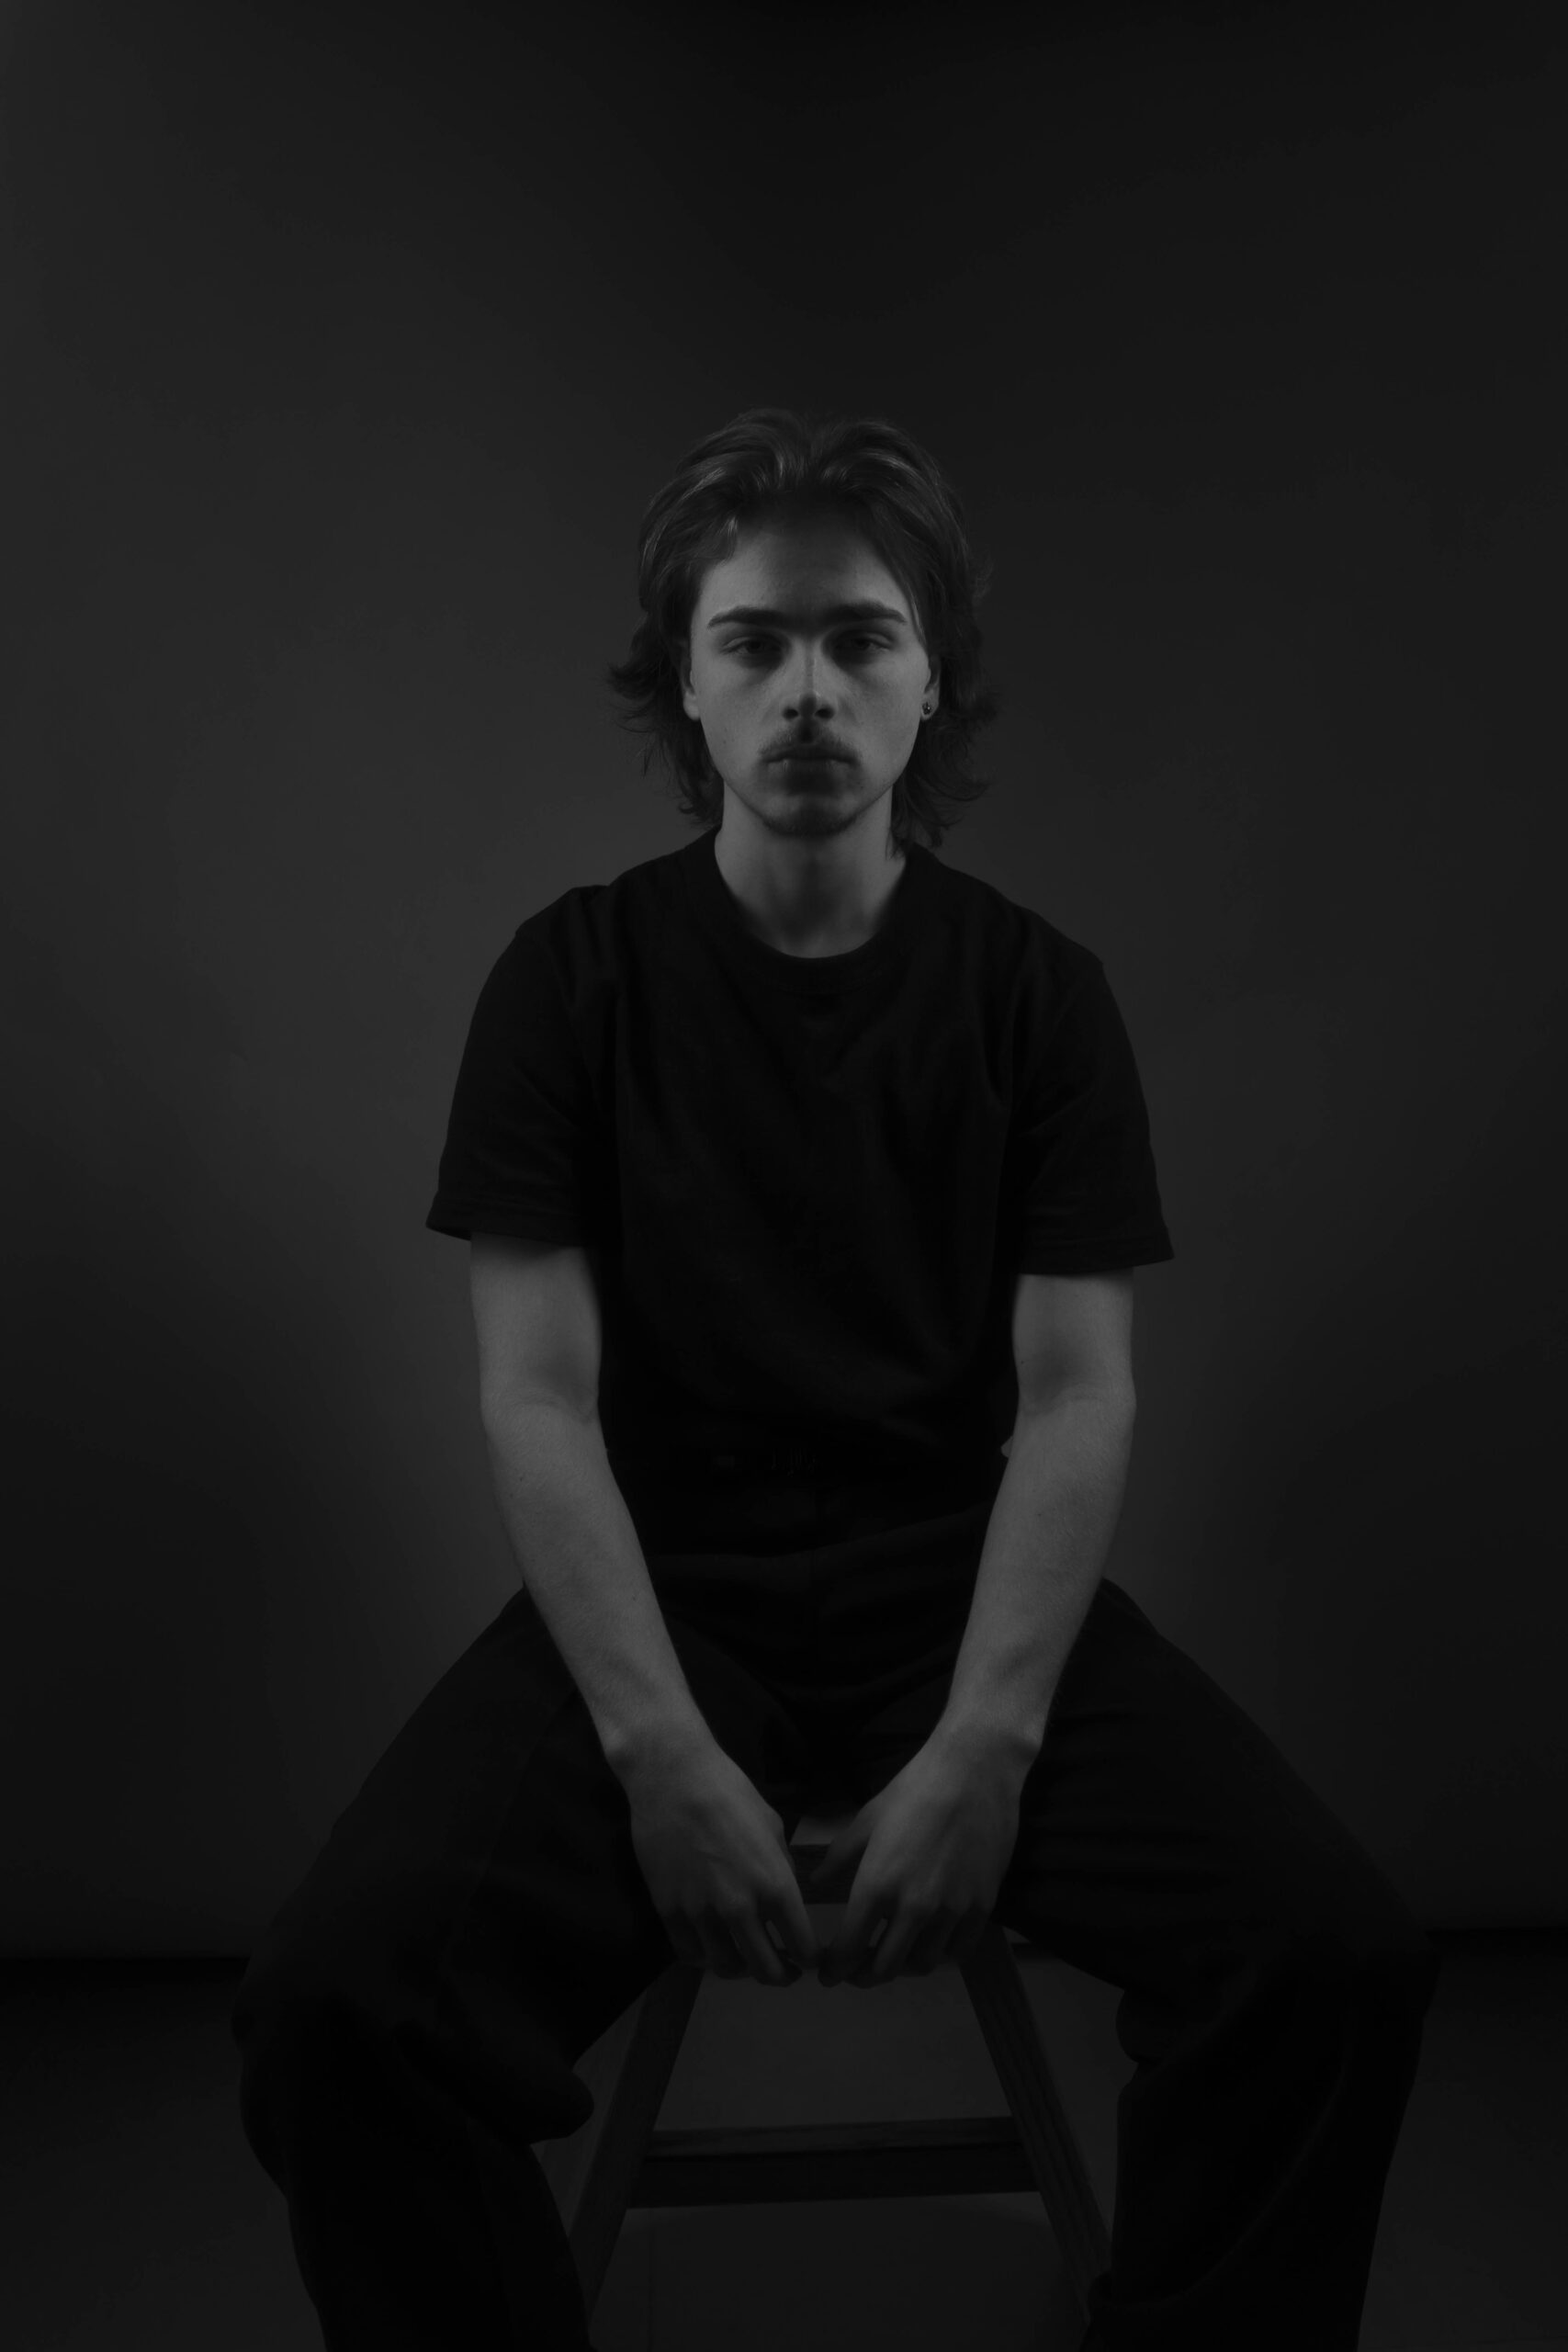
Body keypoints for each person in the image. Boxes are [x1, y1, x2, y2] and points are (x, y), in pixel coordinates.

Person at [231, 407, 1440, 2351]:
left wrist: (985, 1746)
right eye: (755, 640)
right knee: (331, 2006)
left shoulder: (1035, 993)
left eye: (860, 637)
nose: (809, 687)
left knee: (1330, 1959)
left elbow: (1076, 1397)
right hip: (663, 1602)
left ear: (927, 676)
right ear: (685, 683)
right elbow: (537, 1400)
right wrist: (656, 1753)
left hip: (955, 1593)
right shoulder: (569, 979)